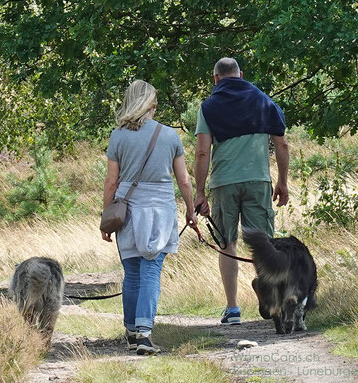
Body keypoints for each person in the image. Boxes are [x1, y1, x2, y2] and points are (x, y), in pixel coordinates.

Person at [101, 79, 197, 355]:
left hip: (128, 210)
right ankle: (144, 333)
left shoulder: (118, 135)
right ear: (153, 105)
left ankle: (131, 332)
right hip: (160, 211)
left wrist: (106, 216)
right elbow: (184, 180)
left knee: (132, 272)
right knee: (151, 270)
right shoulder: (170, 136)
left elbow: (111, 182)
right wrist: (190, 210)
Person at [194, 57, 290, 326]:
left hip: (224, 182)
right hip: (259, 180)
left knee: (227, 243)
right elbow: (281, 145)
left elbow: (202, 152)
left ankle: (233, 309)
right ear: (241, 74)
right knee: (264, 246)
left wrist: (199, 193)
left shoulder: (209, 107)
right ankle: (274, 304)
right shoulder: (264, 101)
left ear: (215, 79)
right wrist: (282, 182)